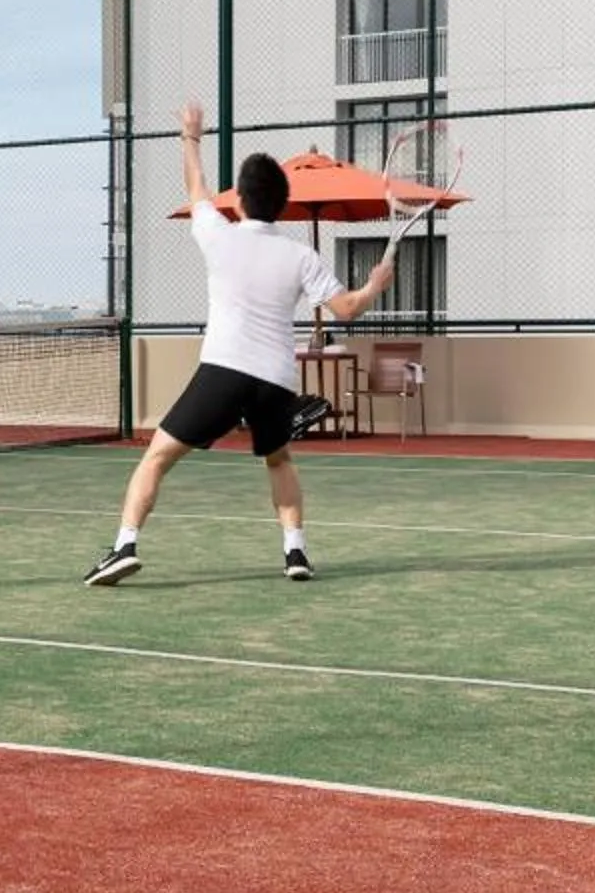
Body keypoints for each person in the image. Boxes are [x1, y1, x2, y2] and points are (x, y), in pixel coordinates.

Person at [85, 105, 392, 586]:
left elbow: (196, 187)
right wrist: (374, 285)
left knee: (157, 458)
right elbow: (347, 309)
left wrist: (190, 137)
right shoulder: (301, 256)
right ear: (282, 204)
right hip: (276, 381)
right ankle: (296, 554)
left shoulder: (218, 235)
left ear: (242, 202)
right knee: (279, 459)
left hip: (224, 371)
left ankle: (124, 546)